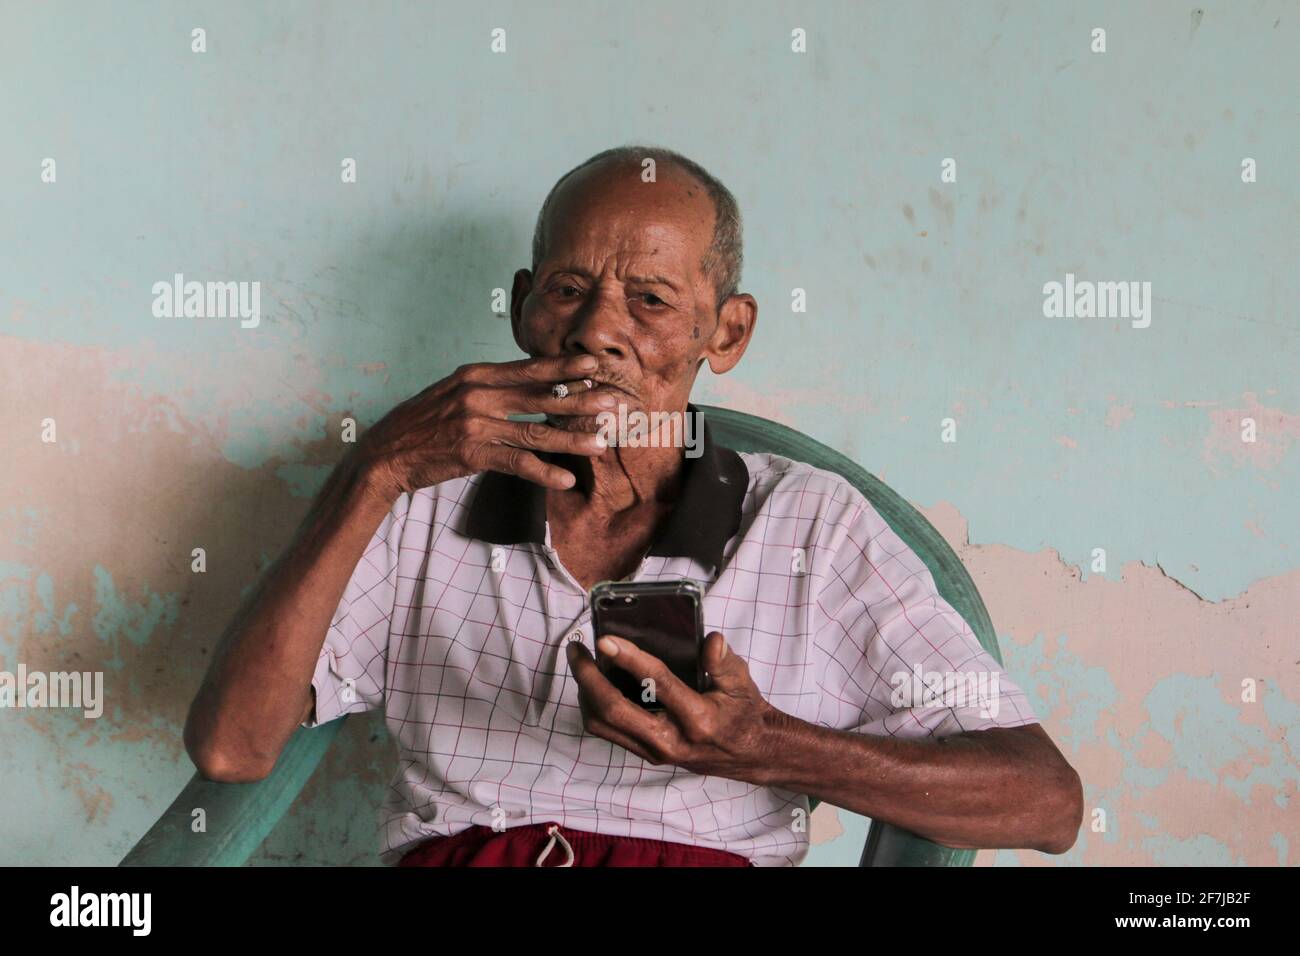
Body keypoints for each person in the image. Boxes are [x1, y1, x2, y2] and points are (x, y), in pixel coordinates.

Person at [183, 145, 1083, 866]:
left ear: (724, 333)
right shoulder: (422, 498)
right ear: (525, 309)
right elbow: (232, 750)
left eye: (649, 300)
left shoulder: (811, 524)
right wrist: (373, 469)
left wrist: (765, 745)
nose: (596, 331)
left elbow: (1045, 802)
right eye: (569, 291)